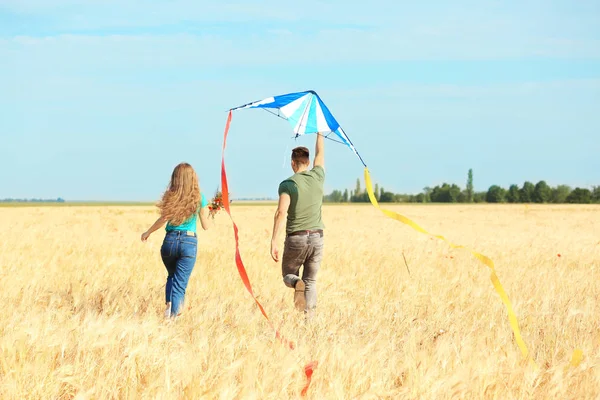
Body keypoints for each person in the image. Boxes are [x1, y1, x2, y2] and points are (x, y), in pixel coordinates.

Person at [141, 162, 210, 319]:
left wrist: (148, 232)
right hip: (188, 242)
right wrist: (211, 213)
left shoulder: (170, 195)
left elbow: (164, 218)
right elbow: (206, 225)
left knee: (171, 276)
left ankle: (168, 309)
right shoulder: (200, 198)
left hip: (169, 242)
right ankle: (173, 319)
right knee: (180, 283)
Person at [271, 133, 325, 317]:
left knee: (289, 275)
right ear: (308, 163)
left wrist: (274, 241)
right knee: (310, 280)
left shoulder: (288, 184)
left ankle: (296, 283)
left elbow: (281, 213)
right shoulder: (318, 176)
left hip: (296, 238)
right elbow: (320, 153)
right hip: (318, 237)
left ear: (293, 163)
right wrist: (320, 135)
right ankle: (309, 321)